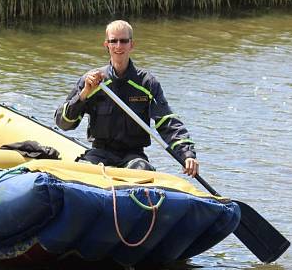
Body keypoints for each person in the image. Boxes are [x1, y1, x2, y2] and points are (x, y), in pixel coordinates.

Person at [55, 20, 199, 176]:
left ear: (132, 44)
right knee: (81, 171)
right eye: (113, 41)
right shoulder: (91, 81)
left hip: (133, 156)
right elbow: (63, 124)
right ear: (106, 45)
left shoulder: (147, 83)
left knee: (142, 171)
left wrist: (187, 154)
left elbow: (167, 122)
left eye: (123, 41)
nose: (118, 46)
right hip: (99, 153)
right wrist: (84, 94)